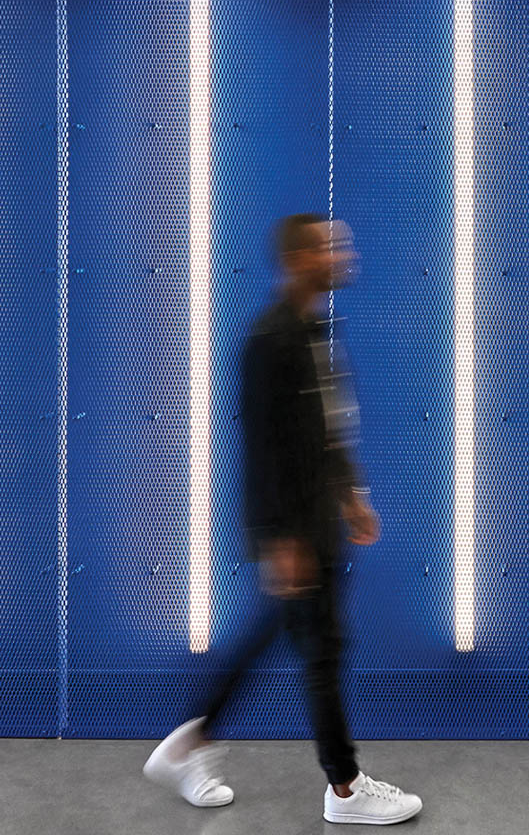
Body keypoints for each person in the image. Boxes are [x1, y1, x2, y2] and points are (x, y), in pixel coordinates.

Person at [144, 214, 423, 825]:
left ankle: (189, 745)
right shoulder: (268, 340)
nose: (343, 253)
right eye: (329, 246)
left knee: (291, 639)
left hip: (317, 517)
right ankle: (344, 789)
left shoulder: (315, 330)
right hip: (295, 526)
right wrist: (278, 539)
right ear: (300, 259)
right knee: (321, 651)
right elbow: (261, 447)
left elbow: (328, 424)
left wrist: (351, 493)